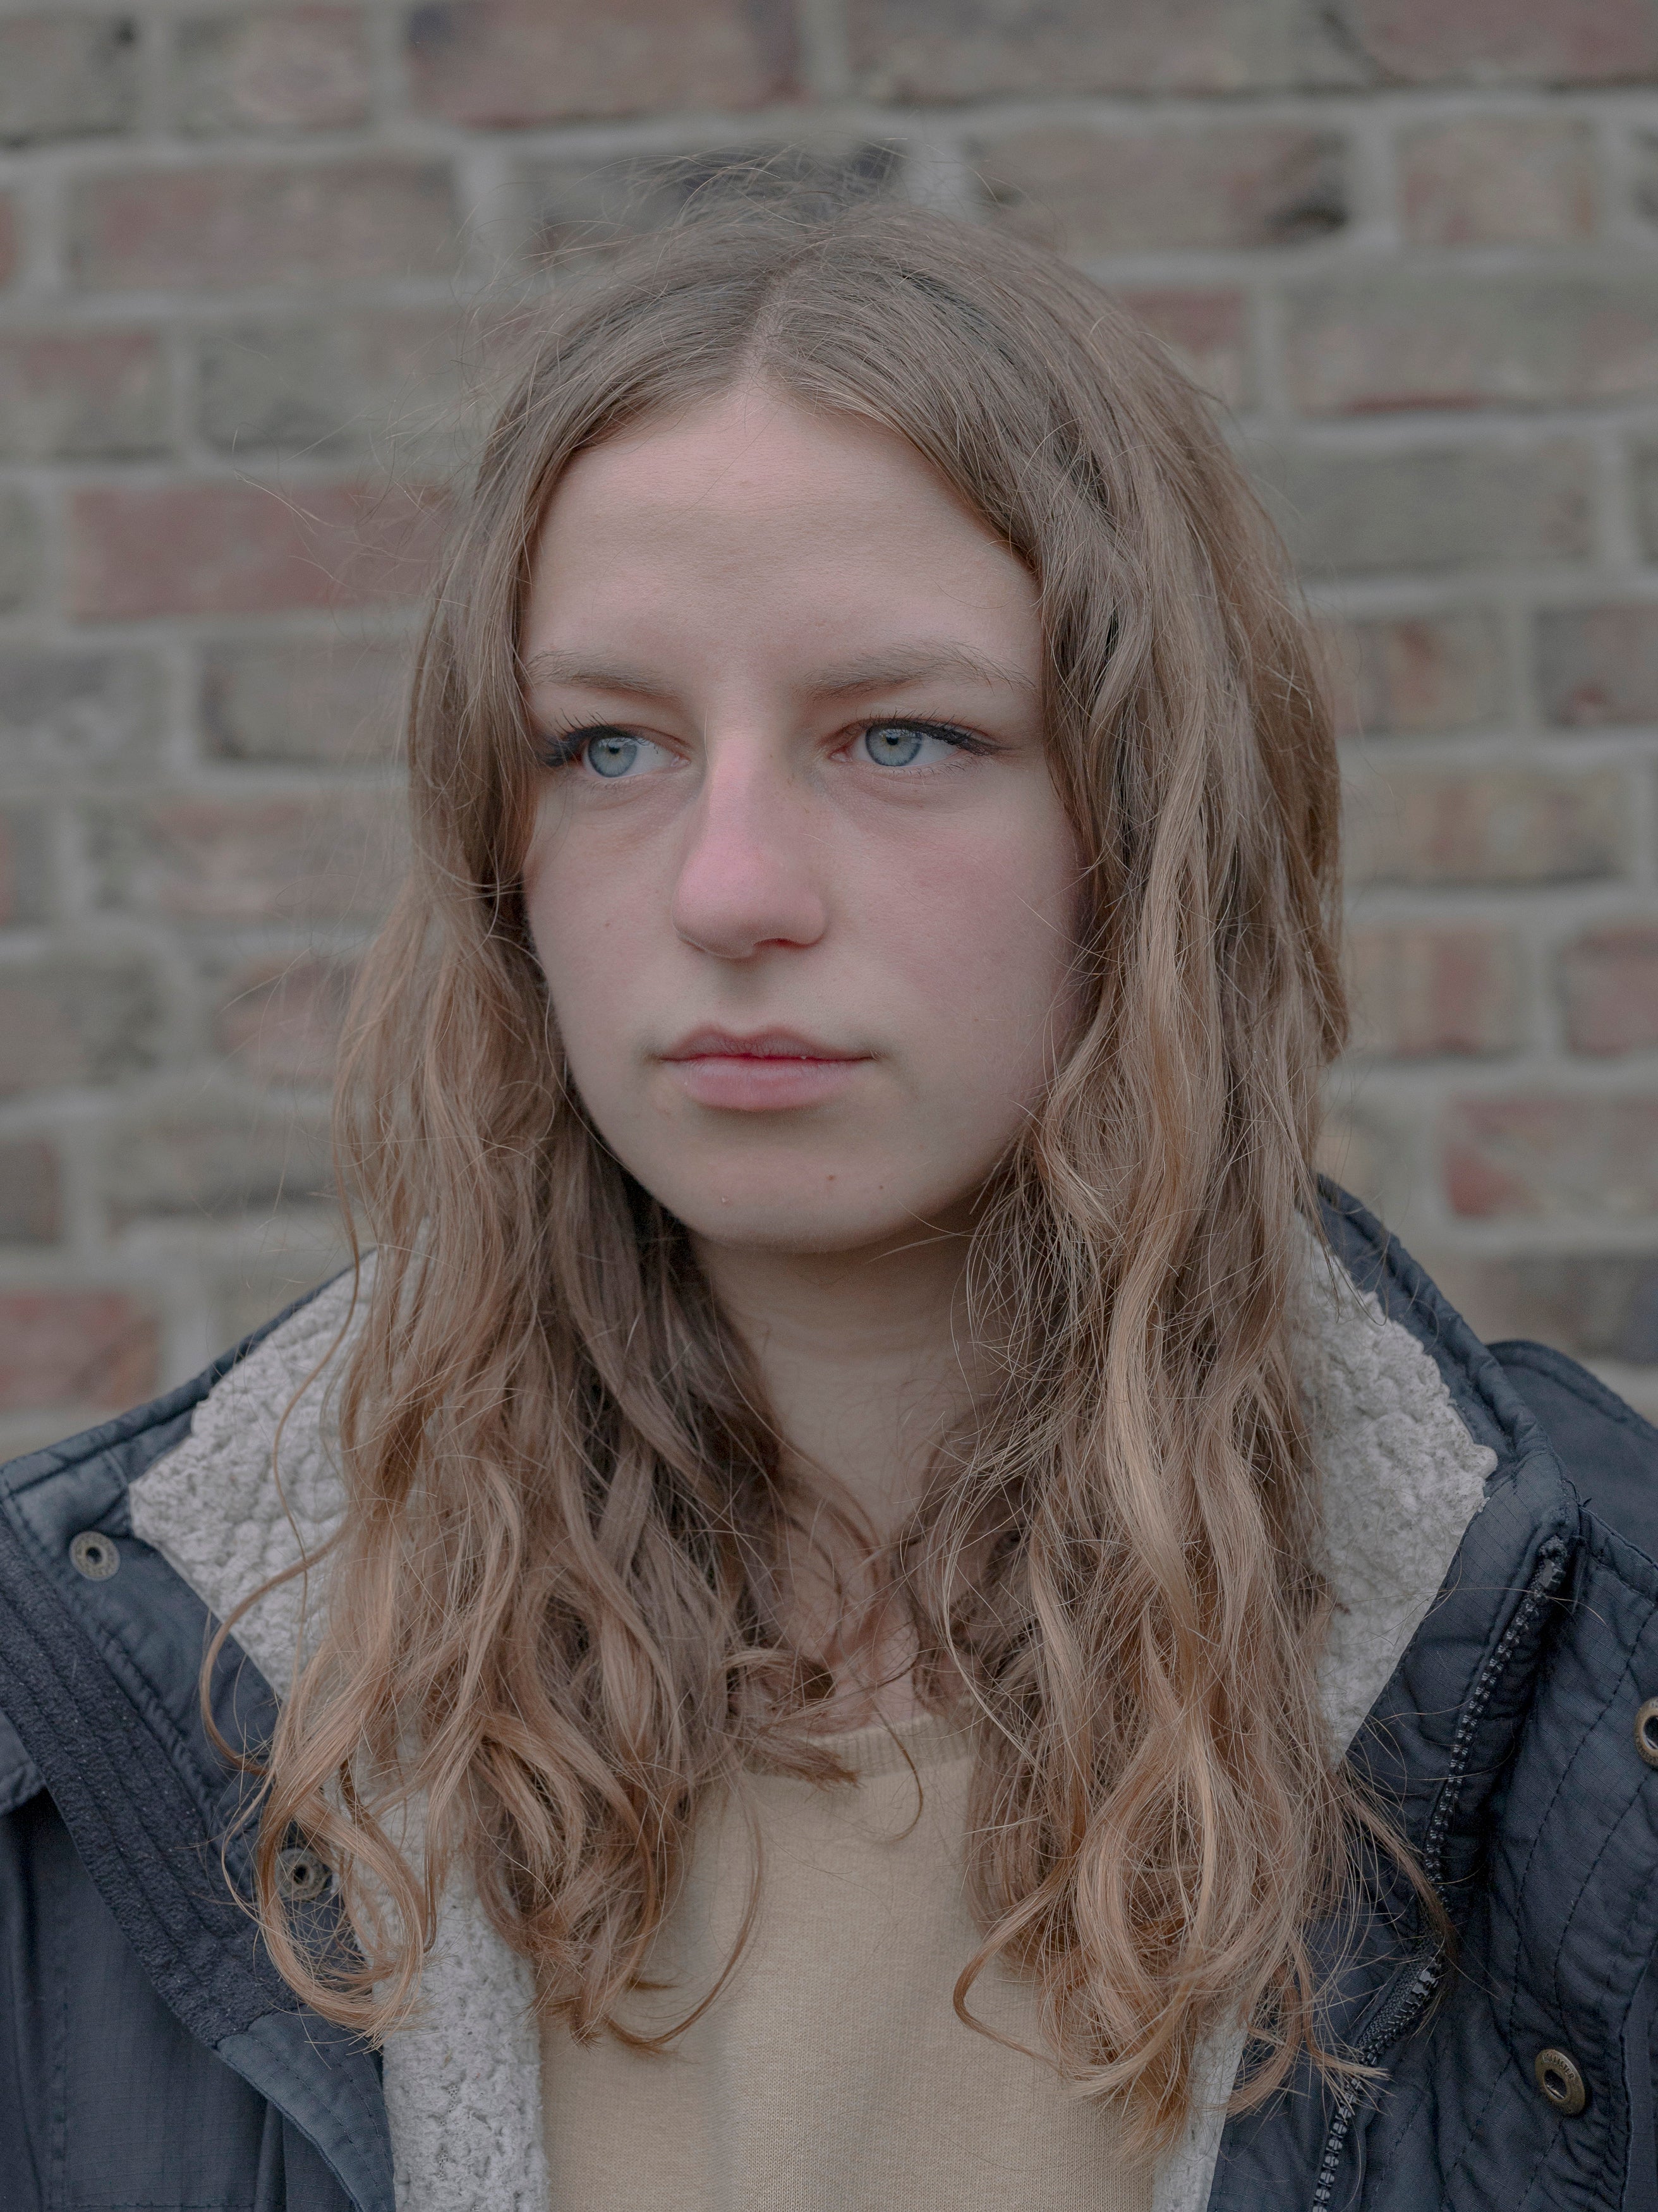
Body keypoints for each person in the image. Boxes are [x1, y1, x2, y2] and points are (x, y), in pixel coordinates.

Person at [1, 198, 1653, 2212]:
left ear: (1143, 824)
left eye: (900, 735)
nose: (728, 887)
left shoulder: (1586, 1693)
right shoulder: (125, 1709)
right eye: (607, 745)